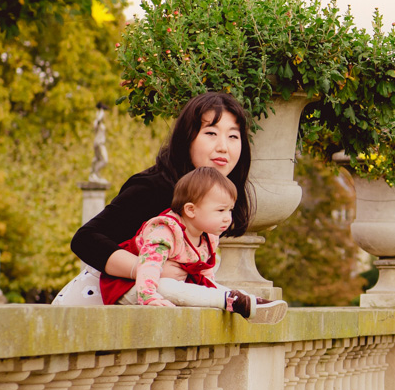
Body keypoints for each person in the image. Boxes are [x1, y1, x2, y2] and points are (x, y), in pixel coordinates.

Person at [56, 91, 264, 307]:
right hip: (94, 305)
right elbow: (85, 239)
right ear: (187, 138)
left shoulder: (219, 197)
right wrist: (146, 266)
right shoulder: (154, 188)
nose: (223, 146)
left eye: (233, 136)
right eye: (211, 133)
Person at [103, 165, 286, 323]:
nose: (227, 218)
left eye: (230, 210)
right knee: (167, 286)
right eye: (220, 210)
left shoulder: (207, 236)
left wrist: (211, 287)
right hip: (131, 286)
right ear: (191, 210)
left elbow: (204, 273)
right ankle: (229, 301)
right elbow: (149, 266)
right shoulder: (165, 231)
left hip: (165, 284)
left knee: (209, 288)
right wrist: (148, 296)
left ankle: (246, 300)